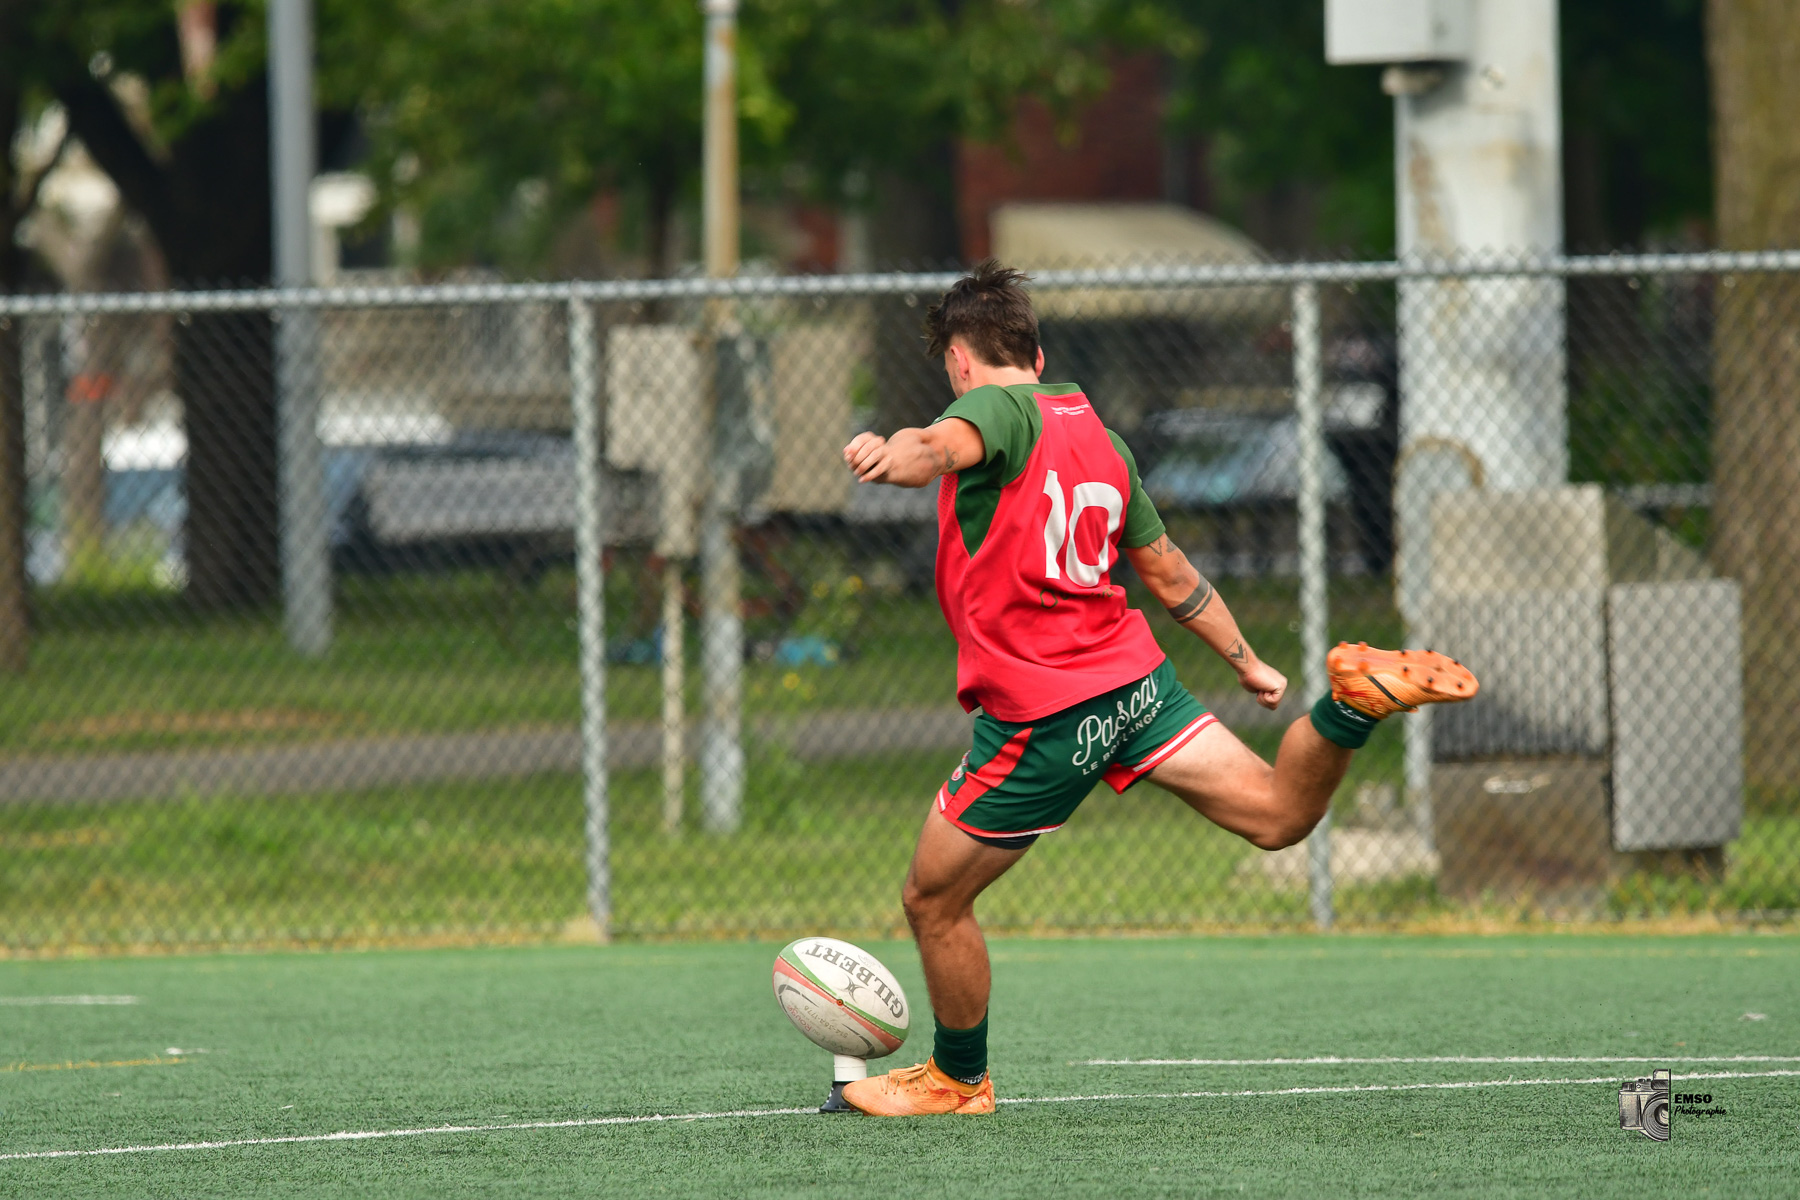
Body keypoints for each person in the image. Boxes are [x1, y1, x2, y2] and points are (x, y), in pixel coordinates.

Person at [837, 261, 1478, 1116]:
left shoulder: (989, 408)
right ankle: (1350, 704)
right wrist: (1246, 659)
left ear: (959, 361)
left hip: (1048, 712)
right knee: (1279, 816)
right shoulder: (1098, 433)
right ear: (1040, 349)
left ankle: (959, 1079)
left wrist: (896, 452)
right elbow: (1168, 572)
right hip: (1135, 687)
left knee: (934, 898)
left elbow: (939, 444)